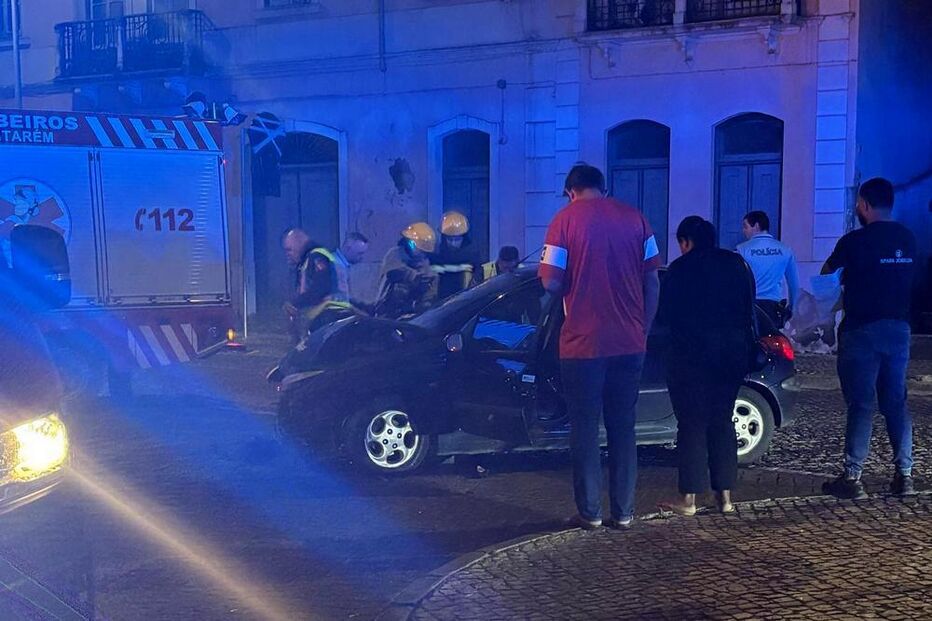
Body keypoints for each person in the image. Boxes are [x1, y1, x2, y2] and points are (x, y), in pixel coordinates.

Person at [539, 163, 661, 530]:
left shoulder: (563, 222)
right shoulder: (638, 220)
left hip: (582, 344)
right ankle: (623, 512)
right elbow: (653, 281)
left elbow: (549, 283)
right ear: (603, 188)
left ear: (569, 190)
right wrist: (643, 328)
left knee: (585, 428)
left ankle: (589, 511)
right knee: (624, 427)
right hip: (629, 342)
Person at [821, 177, 917, 499]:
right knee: (896, 402)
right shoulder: (908, 239)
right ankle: (905, 475)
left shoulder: (853, 242)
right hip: (899, 329)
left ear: (863, 205)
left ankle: (853, 477)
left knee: (861, 404)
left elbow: (826, 276)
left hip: (861, 330)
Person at [657, 216, 756, 516]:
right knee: (722, 420)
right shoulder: (736, 265)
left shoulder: (680, 269)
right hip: (731, 357)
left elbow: (665, 317)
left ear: (685, 242)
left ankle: (688, 499)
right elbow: (749, 306)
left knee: (691, 424)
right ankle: (724, 497)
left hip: (691, 358)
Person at [281, 228, 356, 343]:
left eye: (289, 250)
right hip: (336, 314)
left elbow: (320, 287)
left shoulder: (316, 257)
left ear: (299, 243)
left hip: (327, 315)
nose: (287, 254)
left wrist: (296, 303)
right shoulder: (319, 256)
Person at [736, 211, 799, 331]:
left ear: (757, 226)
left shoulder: (742, 249)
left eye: (745, 226)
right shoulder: (785, 250)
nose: (743, 231)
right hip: (773, 306)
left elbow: (736, 281)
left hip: (749, 305)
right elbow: (794, 284)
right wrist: (792, 308)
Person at [375, 222, 438, 319]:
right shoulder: (395, 254)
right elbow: (393, 272)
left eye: (423, 251)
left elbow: (429, 297)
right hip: (387, 312)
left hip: (413, 316)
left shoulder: (428, 268)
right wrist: (414, 276)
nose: (418, 252)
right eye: (411, 244)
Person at [431, 211, 481, 301]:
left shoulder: (472, 253)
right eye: (449, 239)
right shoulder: (438, 252)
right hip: (441, 301)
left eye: (457, 239)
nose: (453, 243)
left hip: (463, 300)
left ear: (464, 237)